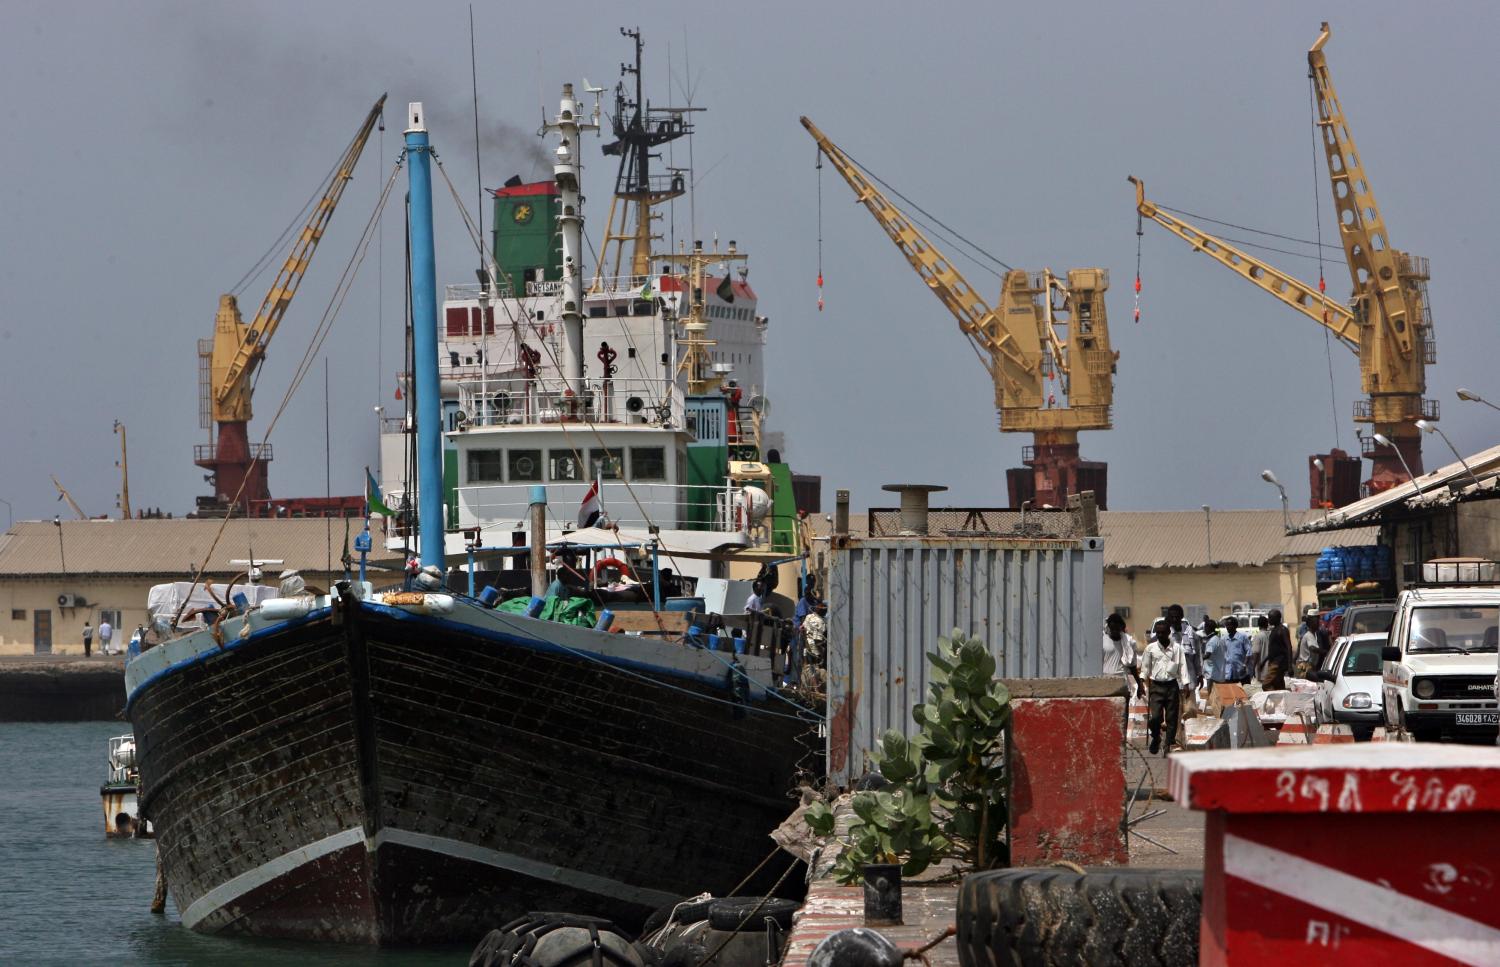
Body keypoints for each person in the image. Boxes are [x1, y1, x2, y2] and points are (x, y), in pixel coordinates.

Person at [1140, 619, 1192, 755]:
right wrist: (1141, 682)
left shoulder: (1177, 649)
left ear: (1169, 632)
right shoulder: (1150, 648)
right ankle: (1156, 737)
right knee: (1155, 717)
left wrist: (1186, 684)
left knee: (1172, 717)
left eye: (1163, 633)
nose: (1160, 635)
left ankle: (1168, 744)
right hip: (1156, 687)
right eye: (1158, 633)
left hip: (1171, 686)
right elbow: (1145, 668)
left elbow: (1182, 666)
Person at [1102, 613, 1142, 698]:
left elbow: (1132, 666)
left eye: (1117, 629)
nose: (1115, 631)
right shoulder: (1102, 641)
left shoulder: (1128, 643)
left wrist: (1139, 684)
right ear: (1109, 627)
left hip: (1122, 681)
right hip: (1105, 680)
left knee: (1124, 710)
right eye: (1112, 629)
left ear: (1121, 628)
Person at [1206, 616, 1254, 685]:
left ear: (1235, 626)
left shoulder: (1242, 637)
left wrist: (1244, 665)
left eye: (1229, 625)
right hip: (1229, 672)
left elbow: (1249, 652)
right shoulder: (1224, 639)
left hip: (1241, 672)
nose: (1227, 627)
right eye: (1226, 625)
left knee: (1244, 692)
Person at [1261, 609, 1294, 691]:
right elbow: (1274, 649)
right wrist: (1264, 661)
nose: (1268, 620)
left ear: (1277, 618)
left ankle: (1274, 697)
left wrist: (1290, 666)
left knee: (1266, 684)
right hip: (1273, 661)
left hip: (1278, 663)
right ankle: (1281, 701)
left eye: (1270, 618)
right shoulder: (1274, 630)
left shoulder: (1282, 630)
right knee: (1278, 685)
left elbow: (1289, 647)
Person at [1297, 608, 1329, 679]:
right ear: (1311, 623)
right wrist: (1325, 652)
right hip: (1305, 667)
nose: (1318, 624)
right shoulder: (1309, 635)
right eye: (1316, 622)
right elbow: (1312, 648)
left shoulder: (1314, 634)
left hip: (1310, 666)